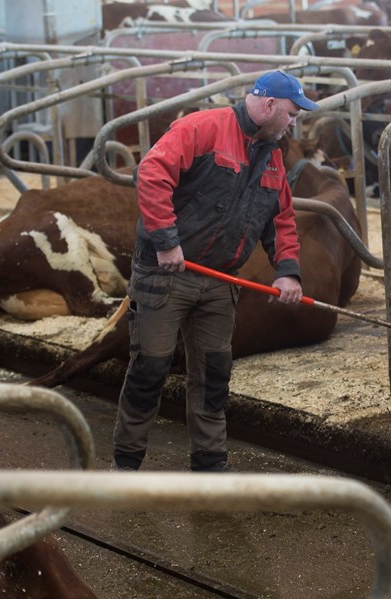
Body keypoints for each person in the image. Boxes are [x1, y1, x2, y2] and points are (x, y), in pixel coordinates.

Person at [113, 70, 319, 472]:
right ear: (270, 105)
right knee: (150, 367)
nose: (294, 122)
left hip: (219, 282)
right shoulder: (203, 128)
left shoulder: (273, 157)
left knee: (213, 375)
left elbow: (281, 220)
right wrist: (166, 240)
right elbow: (152, 173)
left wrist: (288, 271)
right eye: (293, 113)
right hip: (166, 273)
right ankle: (126, 463)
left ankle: (209, 465)